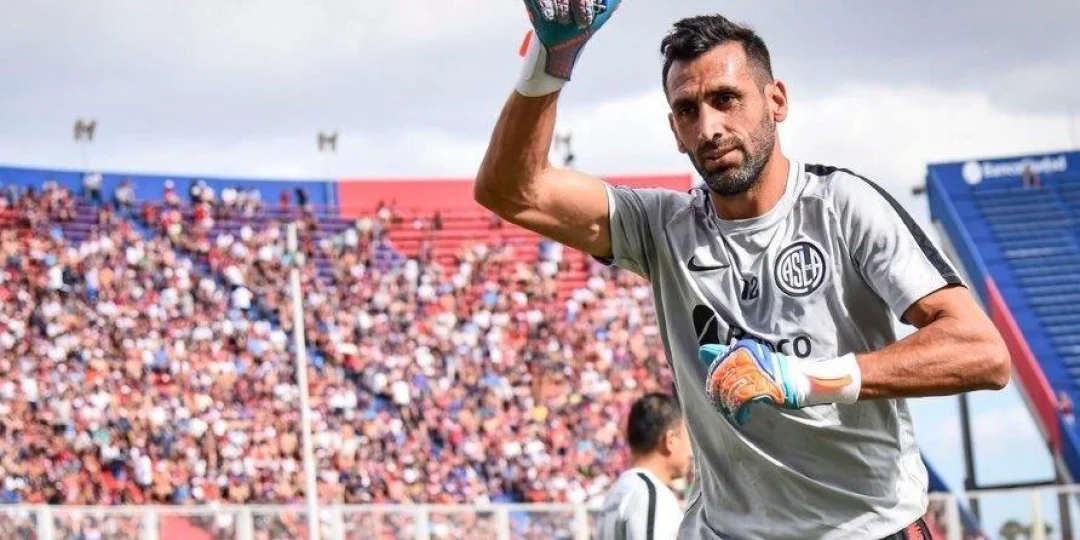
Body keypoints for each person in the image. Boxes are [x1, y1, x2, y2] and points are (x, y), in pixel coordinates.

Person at [474, 4, 1011, 539]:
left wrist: (802, 379)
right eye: (688, 110)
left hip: (869, 529)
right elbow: (510, 189)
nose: (709, 128)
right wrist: (551, 60)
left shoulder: (842, 206)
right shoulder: (660, 227)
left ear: (776, 101)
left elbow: (982, 353)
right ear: (674, 130)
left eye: (726, 99)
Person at [595, 393, 693, 540]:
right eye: (687, 438)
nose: (691, 451)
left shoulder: (615, 494)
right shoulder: (649, 495)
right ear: (670, 440)